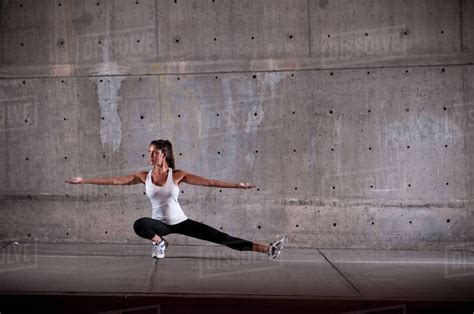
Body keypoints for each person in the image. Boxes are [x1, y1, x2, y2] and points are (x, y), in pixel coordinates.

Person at [66, 139, 288, 260]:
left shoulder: (177, 175)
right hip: (160, 225)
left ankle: (267, 249)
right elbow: (115, 181)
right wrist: (84, 180)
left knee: (222, 238)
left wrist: (237, 186)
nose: (149, 155)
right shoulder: (143, 176)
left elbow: (209, 182)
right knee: (139, 224)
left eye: (153, 152)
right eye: (149, 152)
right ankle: (159, 242)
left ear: (164, 153)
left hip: (181, 221)